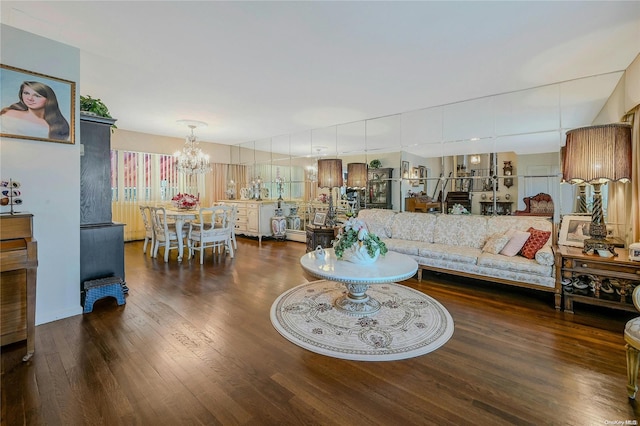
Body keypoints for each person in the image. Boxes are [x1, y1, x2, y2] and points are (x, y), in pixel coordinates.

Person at [0, 81, 70, 140]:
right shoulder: (9, 114)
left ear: (48, 99)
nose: (30, 98)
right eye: (26, 93)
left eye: (37, 96)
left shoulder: (58, 127)